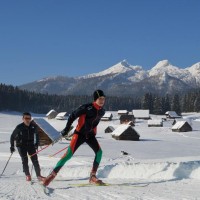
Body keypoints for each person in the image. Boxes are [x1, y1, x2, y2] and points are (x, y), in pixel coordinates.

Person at [43, 89, 106, 186]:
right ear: (95, 99)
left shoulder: (102, 111)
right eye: (100, 98)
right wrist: (66, 129)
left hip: (90, 135)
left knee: (99, 153)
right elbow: (72, 115)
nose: (102, 100)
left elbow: (94, 122)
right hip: (79, 134)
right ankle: (52, 175)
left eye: (103, 98)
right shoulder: (87, 107)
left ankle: (92, 176)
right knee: (68, 155)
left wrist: (93, 131)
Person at [10, 112, 45, 182]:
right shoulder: (19, 127)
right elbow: (12, 136)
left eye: (29, 118)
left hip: (30, 145)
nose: (28, 120)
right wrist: (12, 146)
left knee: (35, 160)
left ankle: (39, 176)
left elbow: (37, 135)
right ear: (23, 119)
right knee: (25, 160)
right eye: (26, 118)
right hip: (21, 145)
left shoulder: (33, 126)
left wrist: (36, 143)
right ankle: (27, 175)